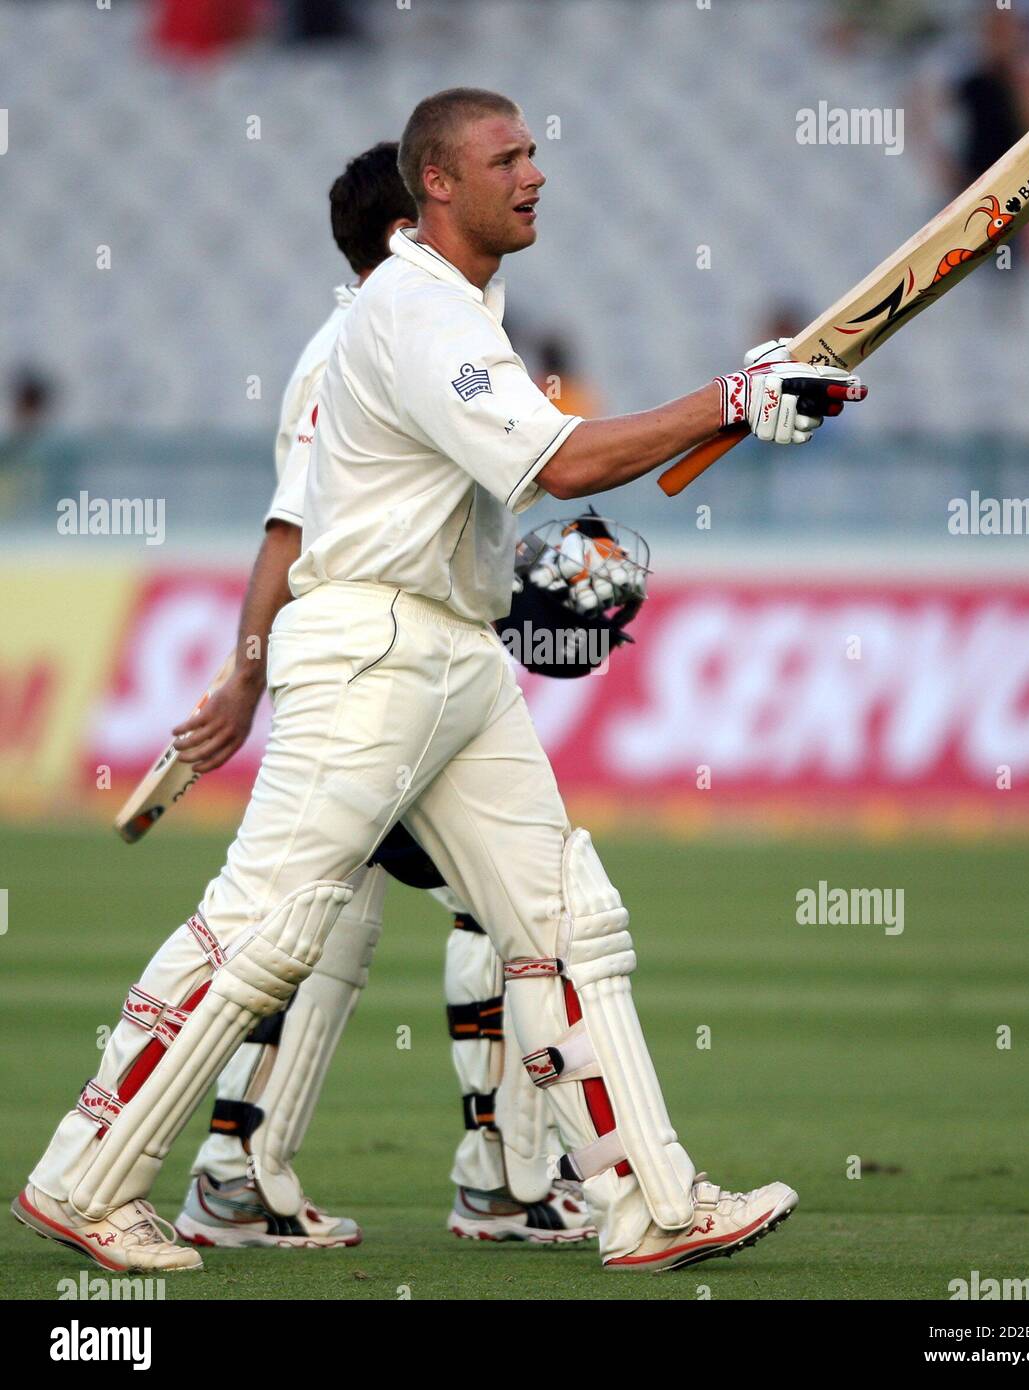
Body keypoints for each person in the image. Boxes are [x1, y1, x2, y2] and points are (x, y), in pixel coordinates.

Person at [13, 87, 866, 1275]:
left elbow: (481, 488)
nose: (534, 174)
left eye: (533, 153)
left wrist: (720, 408)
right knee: (267, 926)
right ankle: (83, 1178)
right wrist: (732, 397)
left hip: (453, 651)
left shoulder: (464, 306)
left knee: (566, 921)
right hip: (370, 653)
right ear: (438, 187)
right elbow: (561, 463)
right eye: (505, 157)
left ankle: (649, 1203)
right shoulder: (414, 310)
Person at [165, 145, 603, 1250]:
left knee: (336, 914)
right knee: (504, 906)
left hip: (398, 659)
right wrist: (246, 675)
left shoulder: (401, 334)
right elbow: (293, 527)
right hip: (374, 667)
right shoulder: (374, 338)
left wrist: (518, 596)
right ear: (415, 222)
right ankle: (499, 1175)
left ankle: (238, 1167)